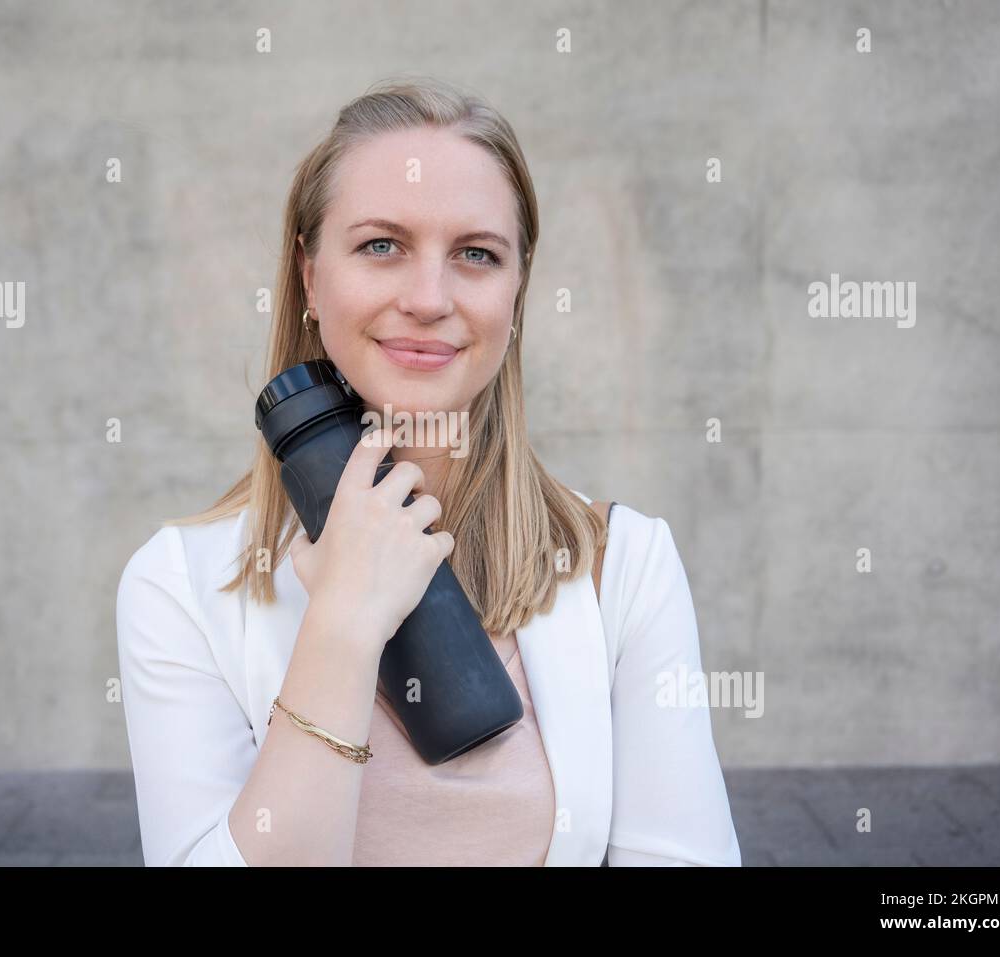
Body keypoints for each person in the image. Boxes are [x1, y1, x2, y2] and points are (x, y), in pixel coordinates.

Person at [116, 75, 742, 867]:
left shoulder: (623, 566)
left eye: (476, 255)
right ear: (310, 278)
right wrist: (341, 624)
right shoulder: (177, 586)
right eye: (382, 245)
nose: (429, 296)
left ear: (516, 296)